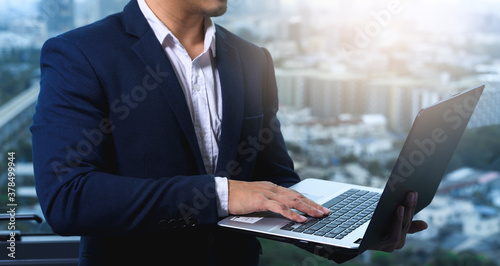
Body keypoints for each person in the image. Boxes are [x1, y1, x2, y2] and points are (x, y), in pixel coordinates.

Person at [31, 0, 427, 265]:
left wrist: (343, 231)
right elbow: (68, 198)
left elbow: (274, 181)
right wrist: (224, 193)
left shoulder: (253, 59)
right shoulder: (81, 54)